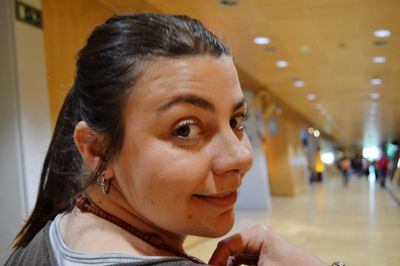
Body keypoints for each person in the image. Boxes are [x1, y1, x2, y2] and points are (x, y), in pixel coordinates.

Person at [6, 14, 335, 265]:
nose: (241, 156)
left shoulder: (45, 240)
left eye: (236, 120)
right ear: (96, 149)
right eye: (186, 129)